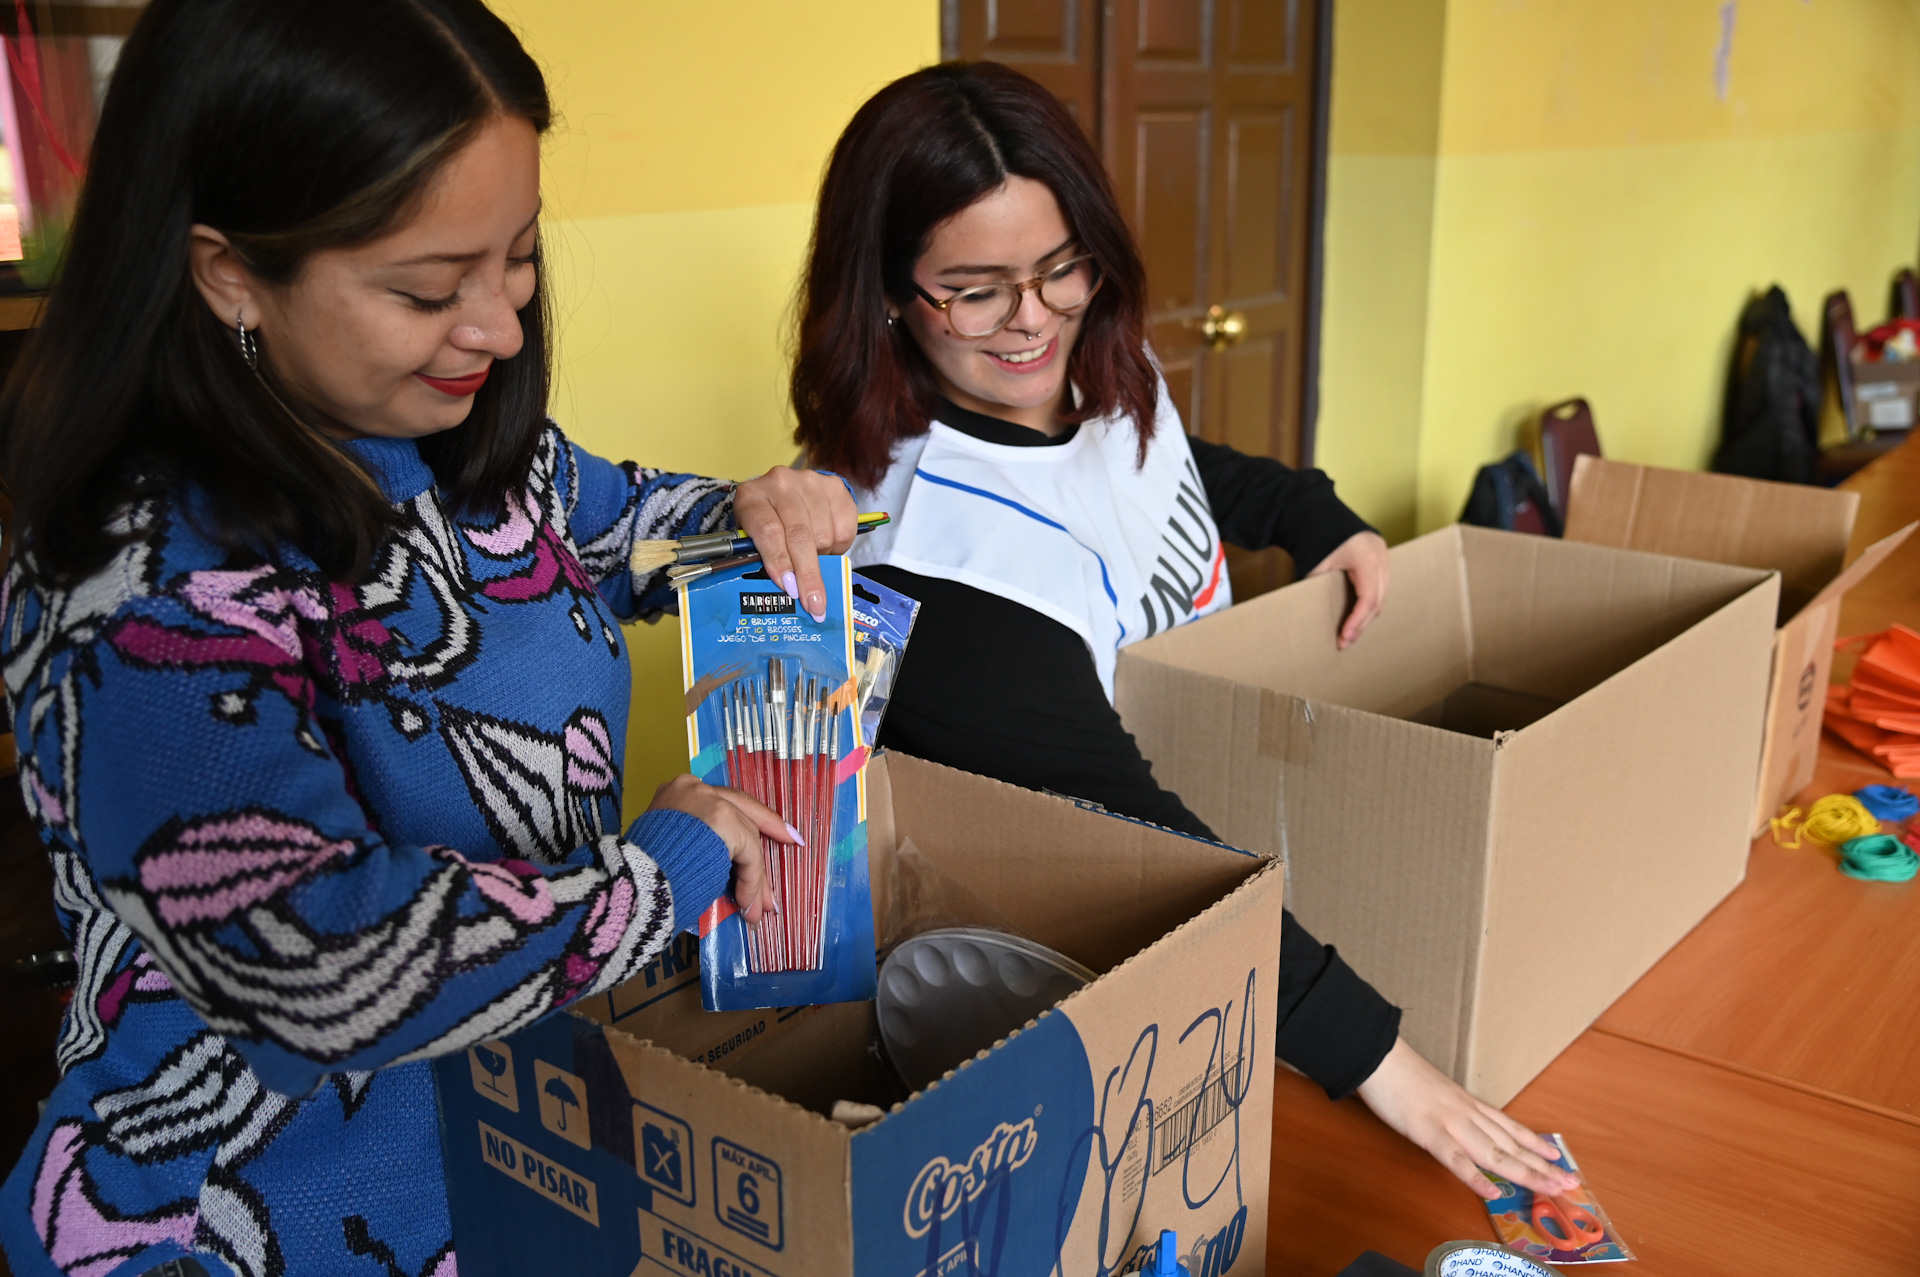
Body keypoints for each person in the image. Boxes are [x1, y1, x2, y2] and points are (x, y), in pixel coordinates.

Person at [0, 2, 855, 1275]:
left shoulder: (456, 443)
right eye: (427, 287)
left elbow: (625, 523)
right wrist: (664, 873)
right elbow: (329, 958)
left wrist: (755, 515)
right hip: (244, 1222)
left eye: (517, 257)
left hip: (500, 1163)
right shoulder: (137, 591)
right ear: (228, 268)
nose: (502, 326)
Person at [791, 61, 1580, 1203]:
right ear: (886, 295)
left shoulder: (1082, 370)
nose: (1034, 320)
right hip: (1075, 976)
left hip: (1237, 863)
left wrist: (1315, 517)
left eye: (1062, 266)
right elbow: (1154, 848)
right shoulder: (933, 564)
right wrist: (1391, 1069)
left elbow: (1160, 466)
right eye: (975, 288)